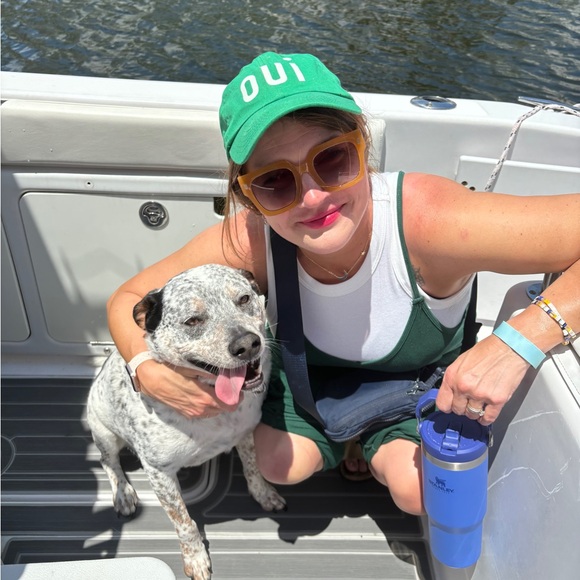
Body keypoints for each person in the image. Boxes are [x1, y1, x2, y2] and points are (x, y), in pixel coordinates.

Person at [108, 52, 580, 515]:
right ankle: (348, 439)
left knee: (419, 494)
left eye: (332, 159)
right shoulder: (252, 238)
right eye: (275, 181)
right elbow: (127, 298)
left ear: (363, 145)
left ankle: (373, 441)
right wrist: (145, 368)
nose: (313, 196)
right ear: (248, 197)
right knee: (278, 465)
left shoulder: (428, 221)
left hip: (411, 385)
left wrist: (518, 342)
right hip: (314, 387)